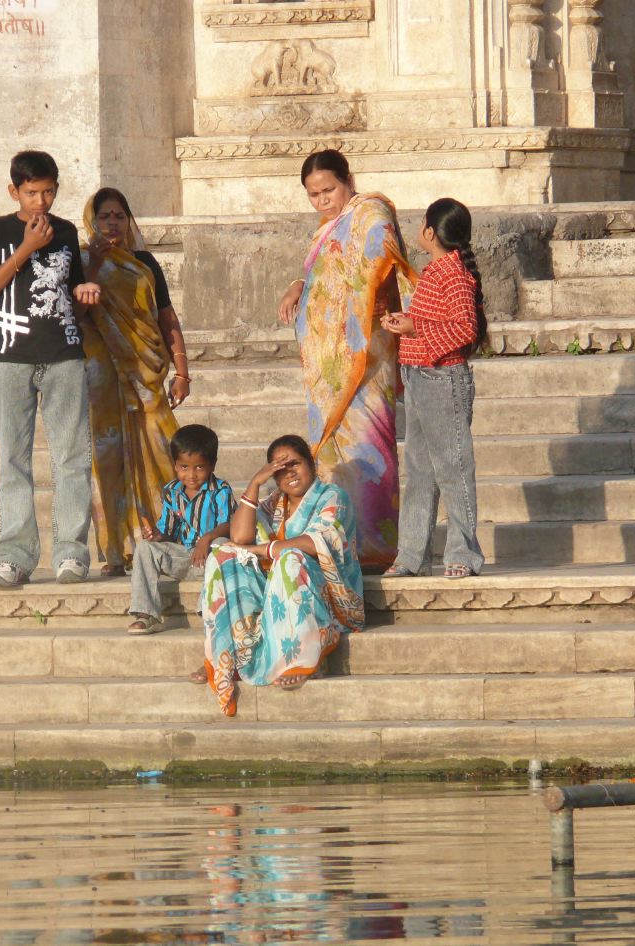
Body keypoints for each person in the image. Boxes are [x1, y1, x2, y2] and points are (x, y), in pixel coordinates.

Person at [277, 149, 416, 572]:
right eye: (314, 194)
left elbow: (377, 256)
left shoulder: (371, 212)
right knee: (335, 457)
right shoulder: (326, 230)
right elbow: (323, 273)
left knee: (371, 445)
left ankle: (377, 547)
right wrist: (298, 285)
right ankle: (339, 542)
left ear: (348, 180)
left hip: (368, 352)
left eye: (329, 190)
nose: (323, 200)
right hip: (330, 364)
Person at [0, 150, 101, 588]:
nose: (40, 201)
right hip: (12, 357)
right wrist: (27, 248)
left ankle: (71, 553)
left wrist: (85, 294)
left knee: (72, 458)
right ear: (14, 191)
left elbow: (71, 294)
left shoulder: (65, 232)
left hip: (65, 354)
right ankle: (14, 556)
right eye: (31, 193)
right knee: (14, 459)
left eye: (47, 192)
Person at [195, 434, 364, 717]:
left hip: (326, 592)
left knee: (290, 558)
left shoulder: (333, 497)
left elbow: (316, 543)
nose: (290, 473)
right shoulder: (275, 502)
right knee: (222, 556)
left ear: (311, 464)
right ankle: (226, 655)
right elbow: (240, 536)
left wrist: (264, 550)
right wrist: (254, 484)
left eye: (295, 464)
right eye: (280, 470)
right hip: (274, 587)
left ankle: (302, 656)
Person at [80, 187, 192, 576]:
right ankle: (118, 551)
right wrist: (93, 267)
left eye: (119, 216)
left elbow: (166, 317)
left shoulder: (144, 263)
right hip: (101, 376)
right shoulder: (80, 261)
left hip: (146, 375)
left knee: (163, 451)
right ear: (91, 222)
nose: (113, 223)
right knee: (108, 460)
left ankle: (172, 537)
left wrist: (182, 371)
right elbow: (76, 312)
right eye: (104, 216)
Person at [381, 198, 487, 579]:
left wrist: (415, 328)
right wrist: (407, 322)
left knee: (453, 468)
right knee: (420, 472)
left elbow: (465, 328)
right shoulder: (435, 270)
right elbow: (438, 321)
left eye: (422, 223)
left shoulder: (453, 273)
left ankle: (463, 553)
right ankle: (412, 556)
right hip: (418, 376)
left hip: (443, 379)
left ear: (430, 231)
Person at [126, 424, 234, 635]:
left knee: (222, 544)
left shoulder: (221, 489)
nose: (191, 475)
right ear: (175, 465)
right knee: (145, 547)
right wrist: (157, 535)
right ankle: (146, 614)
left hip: (211, 561)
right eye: (184, 467)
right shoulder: (171, 491)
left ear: (212, 464)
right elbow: (168, 531)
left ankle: (208, 611)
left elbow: (230, 524)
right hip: (184, 558)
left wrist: (207, 539)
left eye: (199, 467)